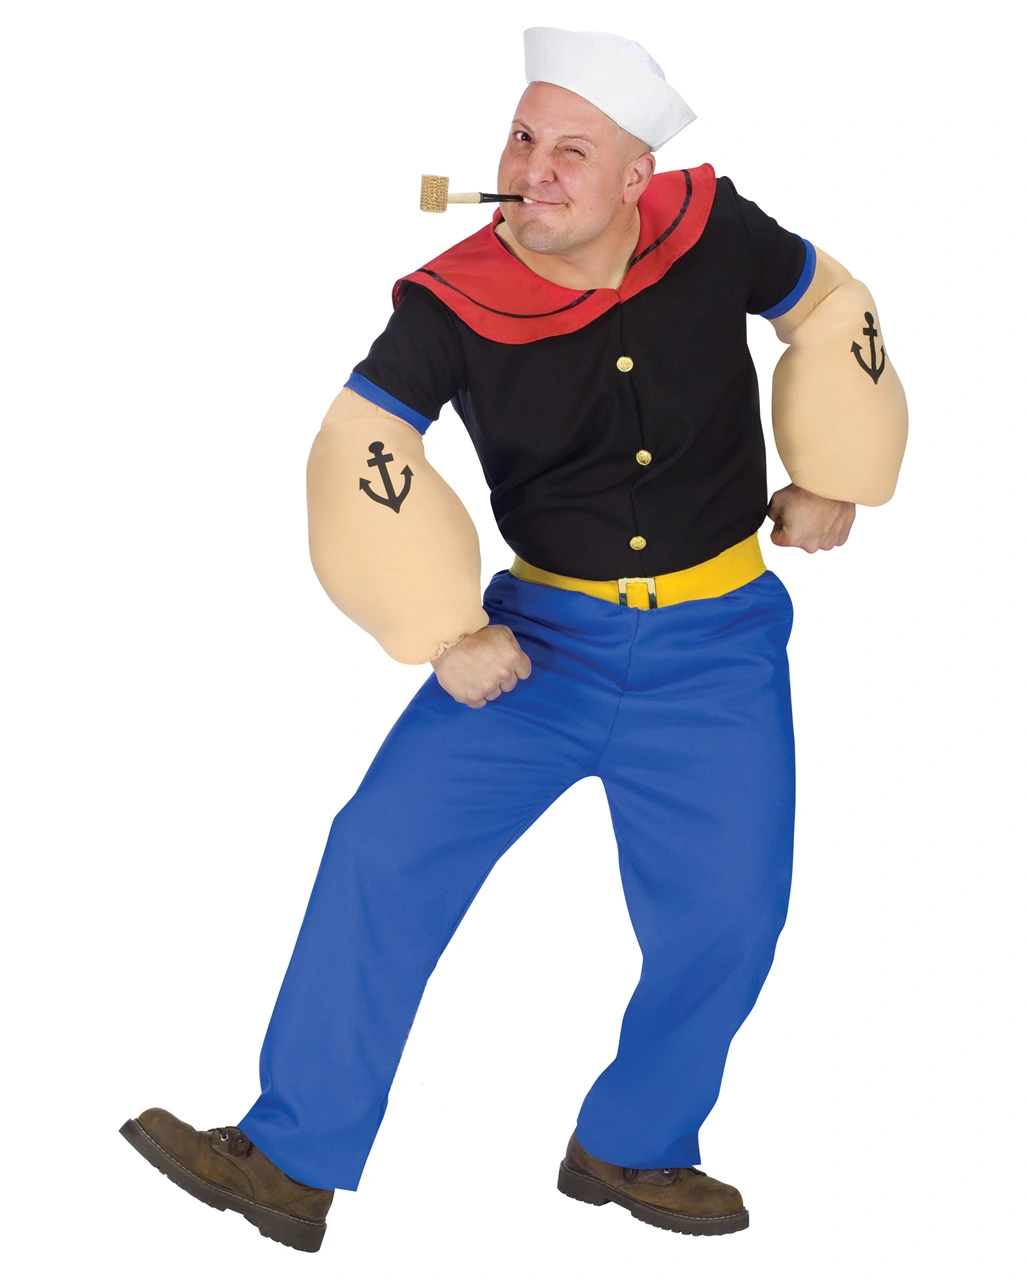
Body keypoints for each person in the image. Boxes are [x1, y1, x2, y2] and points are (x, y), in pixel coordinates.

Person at [121, 27, 907, 1253]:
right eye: (522, 137)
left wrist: (834, 471)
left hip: (719, 648)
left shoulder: (714, 229)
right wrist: (442, 630)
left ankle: (632, 1142)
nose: (532, 168)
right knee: (379, 849)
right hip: (537, 645)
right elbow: (361, 443)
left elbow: (831, 303)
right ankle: (288, 1154)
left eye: (570, 150)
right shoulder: (452, 298)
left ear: (637, 177)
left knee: (729, 915)